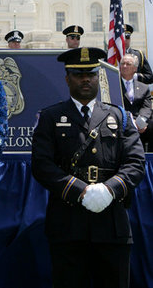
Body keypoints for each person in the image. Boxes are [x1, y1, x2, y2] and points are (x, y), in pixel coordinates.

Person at [31, 46, 145, 288]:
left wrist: (111, 189)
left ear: (98, 77)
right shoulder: (51, 118)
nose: (86, 79)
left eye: (91, 74)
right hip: (68, 224)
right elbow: (42, 165)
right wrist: (80, 190)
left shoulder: (120, 117)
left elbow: (136, 163)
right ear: (67, 78)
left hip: (112, 223)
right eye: (78, 74)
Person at [120, 52, 152, 148]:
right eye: (122, 64)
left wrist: (141, 121)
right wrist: (130, 121)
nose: (124, 66)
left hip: (138, 121)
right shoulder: (114, 85)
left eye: (128, 64)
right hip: (121, 120)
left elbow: (146, 107)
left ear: (135, 68)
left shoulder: (144, 88)